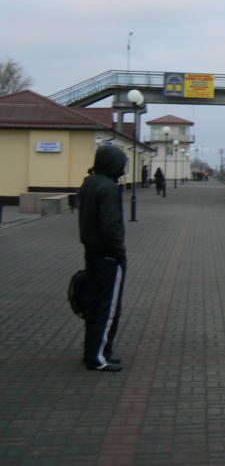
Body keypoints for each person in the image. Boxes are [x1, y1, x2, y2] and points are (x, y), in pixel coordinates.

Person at [77, 145, 128, 372]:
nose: (123, 169)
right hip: (108, 255)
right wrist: (119, 251)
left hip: (92, 251)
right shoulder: (109, 188)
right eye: (121, 164)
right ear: (114, 164)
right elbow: (111, 225)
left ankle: (92, 351)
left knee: (95, 304)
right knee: (106, 308)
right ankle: (98, 357)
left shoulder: (89, 182)